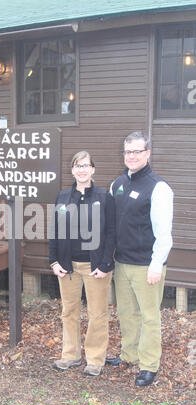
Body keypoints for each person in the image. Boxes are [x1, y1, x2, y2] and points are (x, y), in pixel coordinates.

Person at [107, 131, 173, 386]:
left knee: (149, 317)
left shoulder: (159, 188)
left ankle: (148, 365)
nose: (131, 156)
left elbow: (163, 233)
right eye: (127, 151)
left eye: (137, 151)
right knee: (126, 312)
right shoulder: (118, 184)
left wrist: (156, 265)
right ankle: (129, 355)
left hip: (147, 265)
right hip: (122, 263)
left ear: (148, 153)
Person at [49, 150, 116, 376]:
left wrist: (105, 264)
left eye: (86, 165)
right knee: (69, 312)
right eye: (78, 166)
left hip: (94, 266)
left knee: (97, 314)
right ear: (73, 170)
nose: (82, 169)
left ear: (93, 169)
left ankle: (95, 359)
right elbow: (55, 231)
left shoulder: (104, 197)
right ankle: (71, 355)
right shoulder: (63, 197)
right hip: (68, 266)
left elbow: (111, 233)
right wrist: (54, 261)